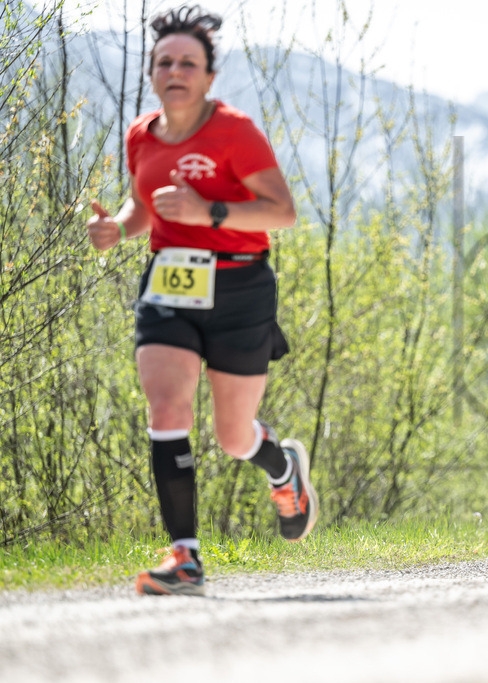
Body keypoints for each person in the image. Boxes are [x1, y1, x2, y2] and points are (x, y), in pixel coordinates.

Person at [86, 5, 317, 596]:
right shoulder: (141, 135)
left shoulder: (235, 132)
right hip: (169, 284)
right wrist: (117, 226)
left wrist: (208, 211)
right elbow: (146, 208)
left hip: (240, 286)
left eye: (189, 62)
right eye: (165, 61)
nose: (176, 70)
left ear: (209, 77)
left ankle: (283, 468)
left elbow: (282, 212)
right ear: (151, 72)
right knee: (167, 412)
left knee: (234, 436)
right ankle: (184, 559)